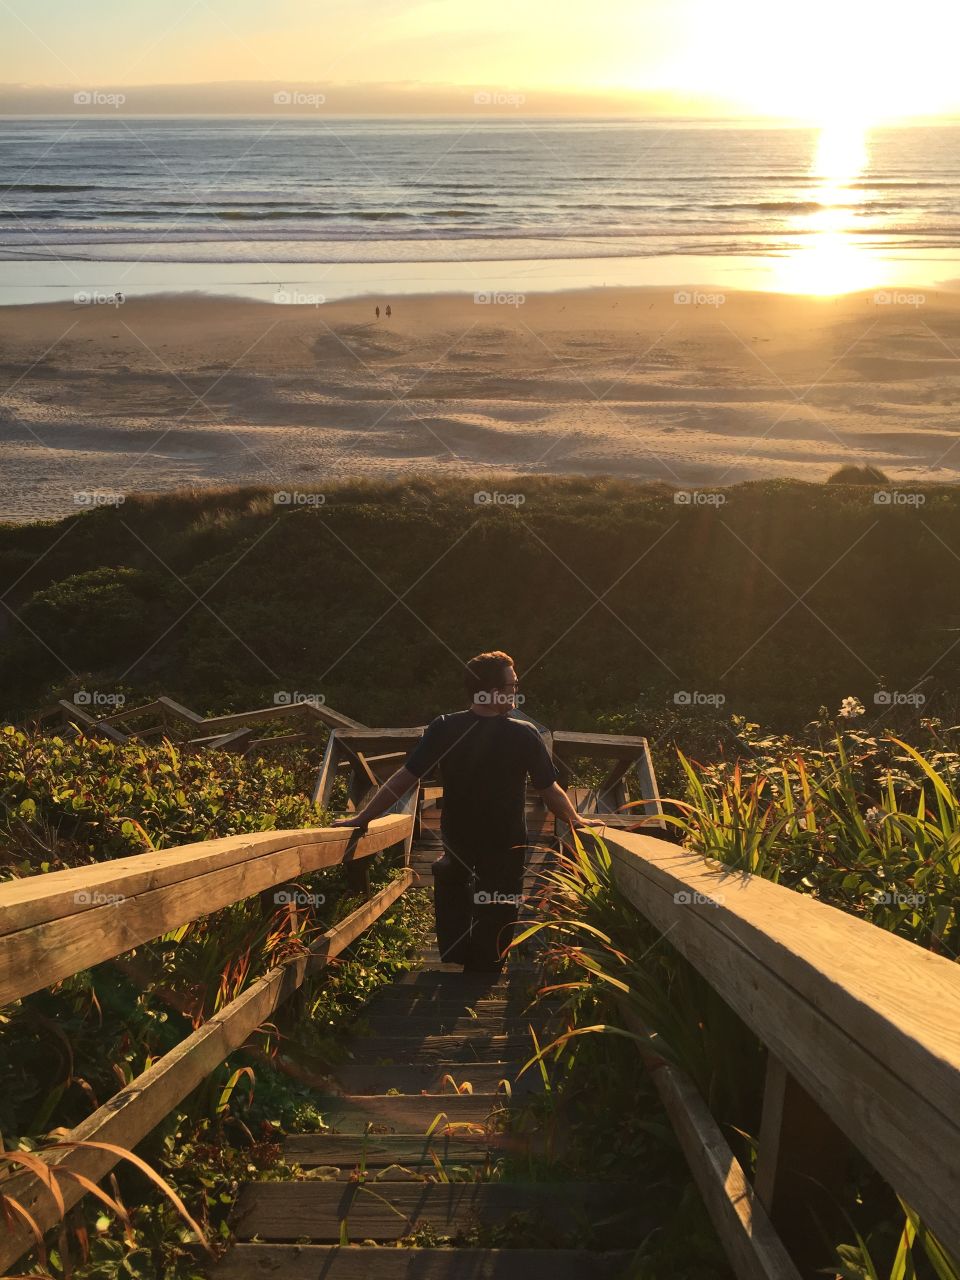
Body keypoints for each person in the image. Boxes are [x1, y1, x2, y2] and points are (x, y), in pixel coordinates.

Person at [333, 651, 604, 972]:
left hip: (461, 835)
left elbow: (406, 778)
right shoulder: (521, 734)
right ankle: (484, 964)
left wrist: (575, 819)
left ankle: (466, 956)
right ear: (491, 689)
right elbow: (549, 791)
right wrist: (363, 817)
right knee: (496, 903)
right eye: (512, 684)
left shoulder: (447, 727)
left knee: (457, 891)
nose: (516, 690)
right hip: (503, 839)